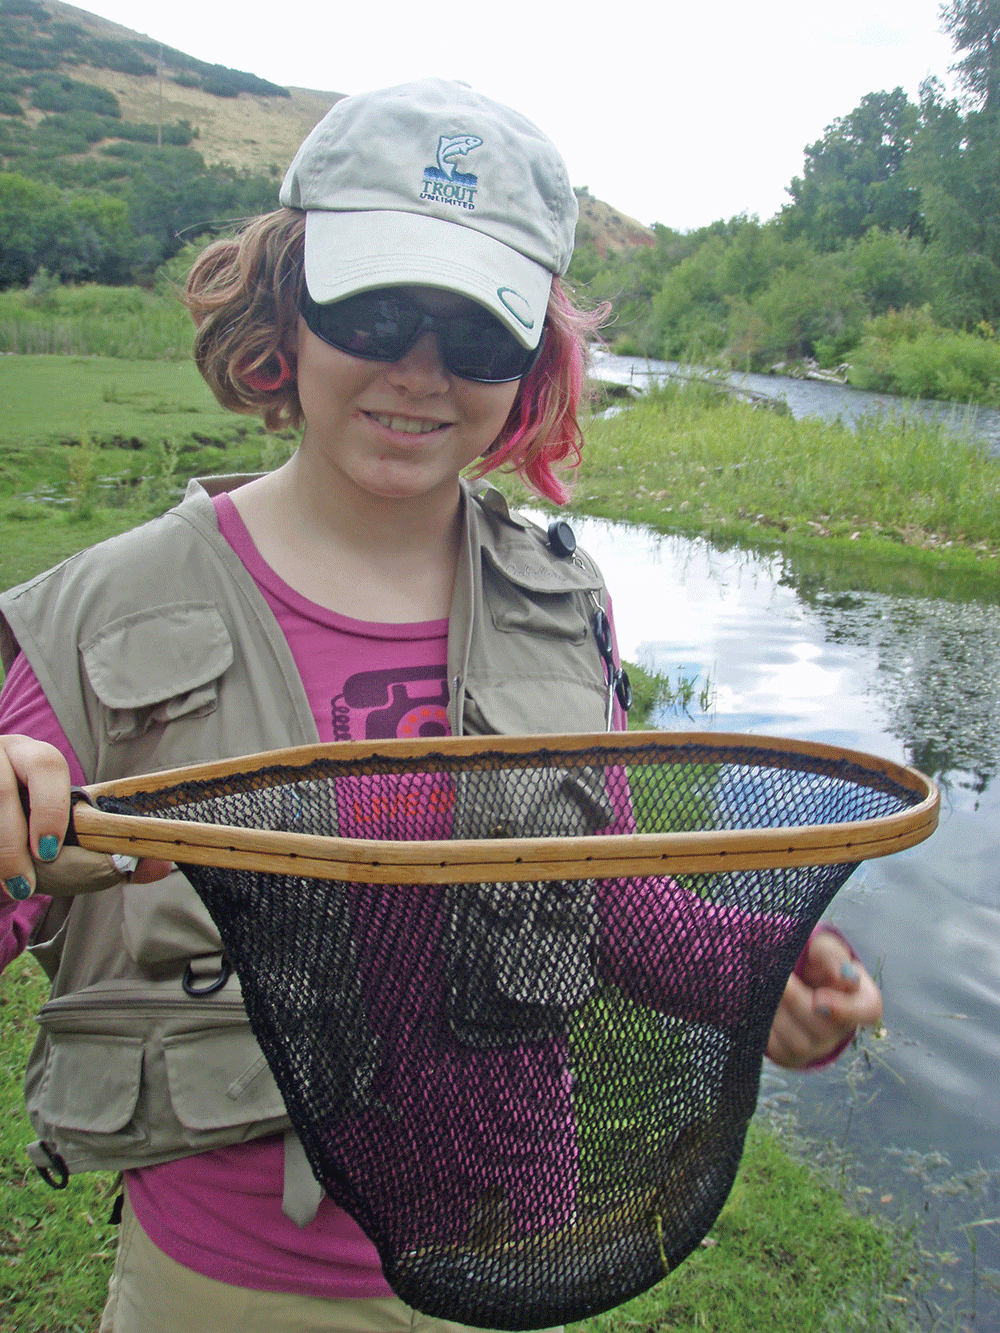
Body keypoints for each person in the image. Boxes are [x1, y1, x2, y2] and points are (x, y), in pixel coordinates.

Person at [0, 78, 882, 1333]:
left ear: (532, 364)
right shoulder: (95, 617)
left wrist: (765, 972)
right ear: (286, 309)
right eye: (378, 308)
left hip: (519, 1259)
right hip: (230, 1281)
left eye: (475, 335)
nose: (420, 373)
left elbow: (602, 887)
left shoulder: (559, 599)